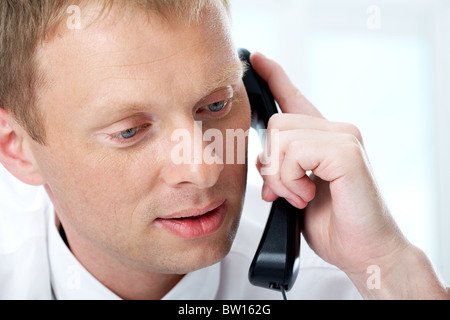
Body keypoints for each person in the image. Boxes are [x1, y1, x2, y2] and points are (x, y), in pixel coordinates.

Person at [0, 0, 447, 300]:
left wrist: (389, 265)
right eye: (130, 131)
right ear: (16, 148)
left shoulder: (342, 284)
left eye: (216, 104)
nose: (204, 167)